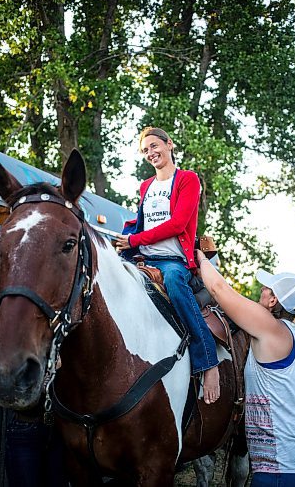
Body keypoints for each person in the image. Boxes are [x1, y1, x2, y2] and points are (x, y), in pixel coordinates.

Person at [115, 126, 220, 404]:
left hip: (174, 260)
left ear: (169, 144)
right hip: (144, 256)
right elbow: (143, 221)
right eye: (145, 150)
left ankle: (208, 361)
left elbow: (178, 224)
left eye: (154, 146)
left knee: (174, 282)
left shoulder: (188, 179)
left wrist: (136, 238)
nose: (151, 153)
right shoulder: (146, 186)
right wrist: (126, 238)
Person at [196, 248, 295, 486]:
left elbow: (219, 290)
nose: (261, 290)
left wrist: (199, 256)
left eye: (267, 288)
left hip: (284, 469)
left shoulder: (271, 329)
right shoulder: (293, 332)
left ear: (273, 301)